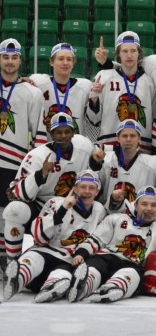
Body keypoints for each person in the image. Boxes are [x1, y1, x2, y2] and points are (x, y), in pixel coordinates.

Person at [66, 185, 156, 303]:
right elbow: (95, 240)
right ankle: (82, 287)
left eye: (154, 205)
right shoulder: (116, 218)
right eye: (144, 204)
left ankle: (111, 289)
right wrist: (81, 253)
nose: (149, 208)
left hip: (133, 264)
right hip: (106, 257)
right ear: (135, 205)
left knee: (133, 274)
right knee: (94, 267)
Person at [2, 112, 98, 260]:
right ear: (51, 134)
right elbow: (16, 193)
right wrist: (41, 174)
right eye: (58, 132)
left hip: (74, 204)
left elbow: (96, 159)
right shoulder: (37, 156)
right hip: (42, 205)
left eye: (67, 131)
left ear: (73, 133)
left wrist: (97, 162)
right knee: (15, 210)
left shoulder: (84, 144)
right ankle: (12, 262)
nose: (63, 136)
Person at [3, 170, 106, 302]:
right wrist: (62, 210)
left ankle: (51, 288)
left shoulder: (99, 210)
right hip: (44, 253)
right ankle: (17, 279)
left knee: (63, 274)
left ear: (97, 192)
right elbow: (38, 237)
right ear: (75, 188)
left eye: (92, 188)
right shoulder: (56, 202)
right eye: (82, 187)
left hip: (69, 260)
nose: (87, 191)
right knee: (33, 258)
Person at [0, 38, 47, 273]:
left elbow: (38, 131)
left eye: (14, 57)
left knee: (6, 212)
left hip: (12, 162)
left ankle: (7, 261)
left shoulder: (31, 92)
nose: (9, 62)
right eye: (5, 57)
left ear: (20, 59)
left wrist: (32, 167)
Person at [87, 32, 156, 154]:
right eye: (124, 51)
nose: (129, 55)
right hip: (109, 149)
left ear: (139, 53)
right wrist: (94, 97)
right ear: (118, 54)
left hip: (141, 149)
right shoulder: (104, 77)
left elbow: (154, 117)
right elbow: (94, 120)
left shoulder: (149, 82)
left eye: (133, 51)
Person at [89, 119, 156, 214]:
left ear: (139, 138)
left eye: (133, 136)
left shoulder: (154, 163)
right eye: (124, 136)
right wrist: (95, 162)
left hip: (143, 218)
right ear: (118, 138)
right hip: (111, 215)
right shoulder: (106, 160)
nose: (128, 139)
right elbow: (91, 184)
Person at [29, 42, 93, 140]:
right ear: (51, 61)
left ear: (73, 63)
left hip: (75, 148)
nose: (65, 63)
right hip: (46, 147)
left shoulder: (85, 87)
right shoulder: (38, 82)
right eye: (61, 58)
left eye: (69, 59)